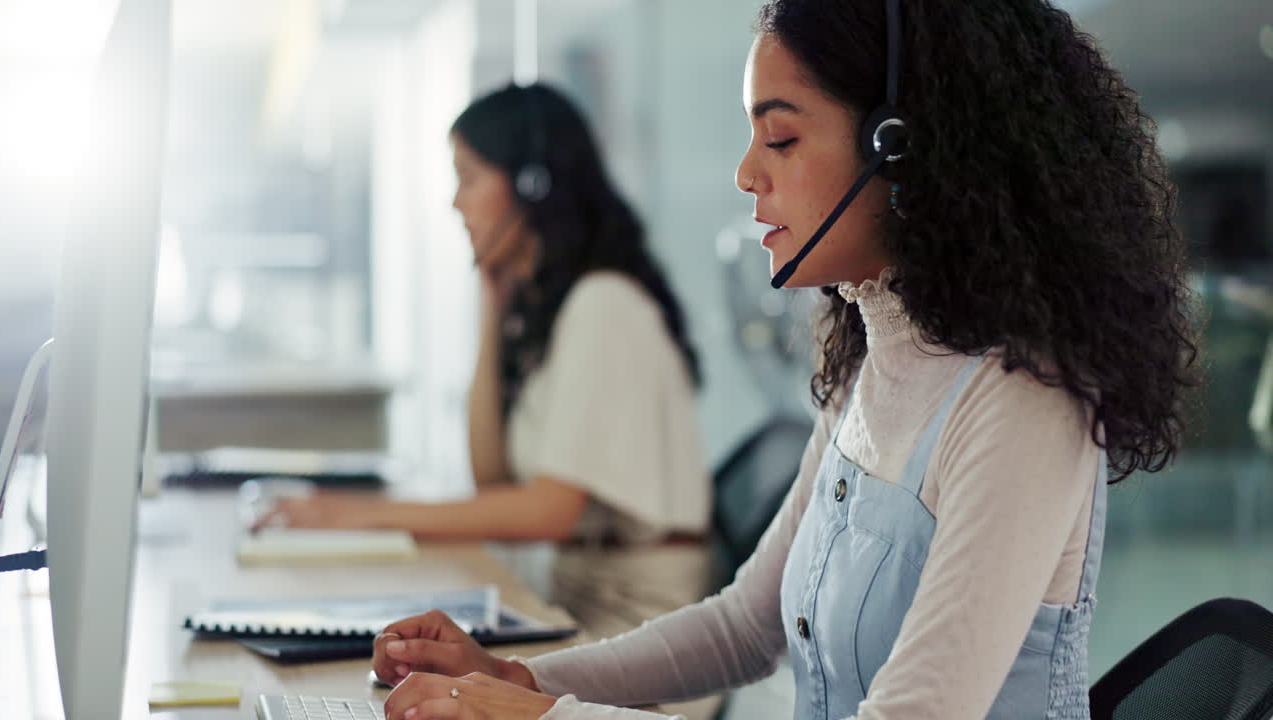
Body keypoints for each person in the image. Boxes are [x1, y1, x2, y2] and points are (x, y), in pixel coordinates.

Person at [368, 1, 1200, 719]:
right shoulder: (873, 366)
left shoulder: (1022, 399)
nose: (746, 173)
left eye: (781, 137)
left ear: (900, 148)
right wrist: (518, 678)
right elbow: (743, 626)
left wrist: (545, 715)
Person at [260, 83, 712, 637]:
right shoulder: (555, 311)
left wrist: (363, 514)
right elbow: (491, 481)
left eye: (468, 177)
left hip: (637, 627)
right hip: (578, 604)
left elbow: (547, 513)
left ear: (532, 186)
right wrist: (492, 309)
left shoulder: (604, 305)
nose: (456, 202)